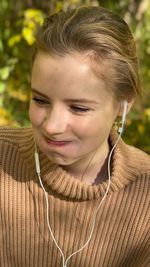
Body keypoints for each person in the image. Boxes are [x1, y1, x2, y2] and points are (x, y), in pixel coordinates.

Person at [0, 5, 150, 267]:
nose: (53, 126)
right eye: (40, 100)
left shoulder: (144, 197)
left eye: (78, 108)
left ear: (123, 106)